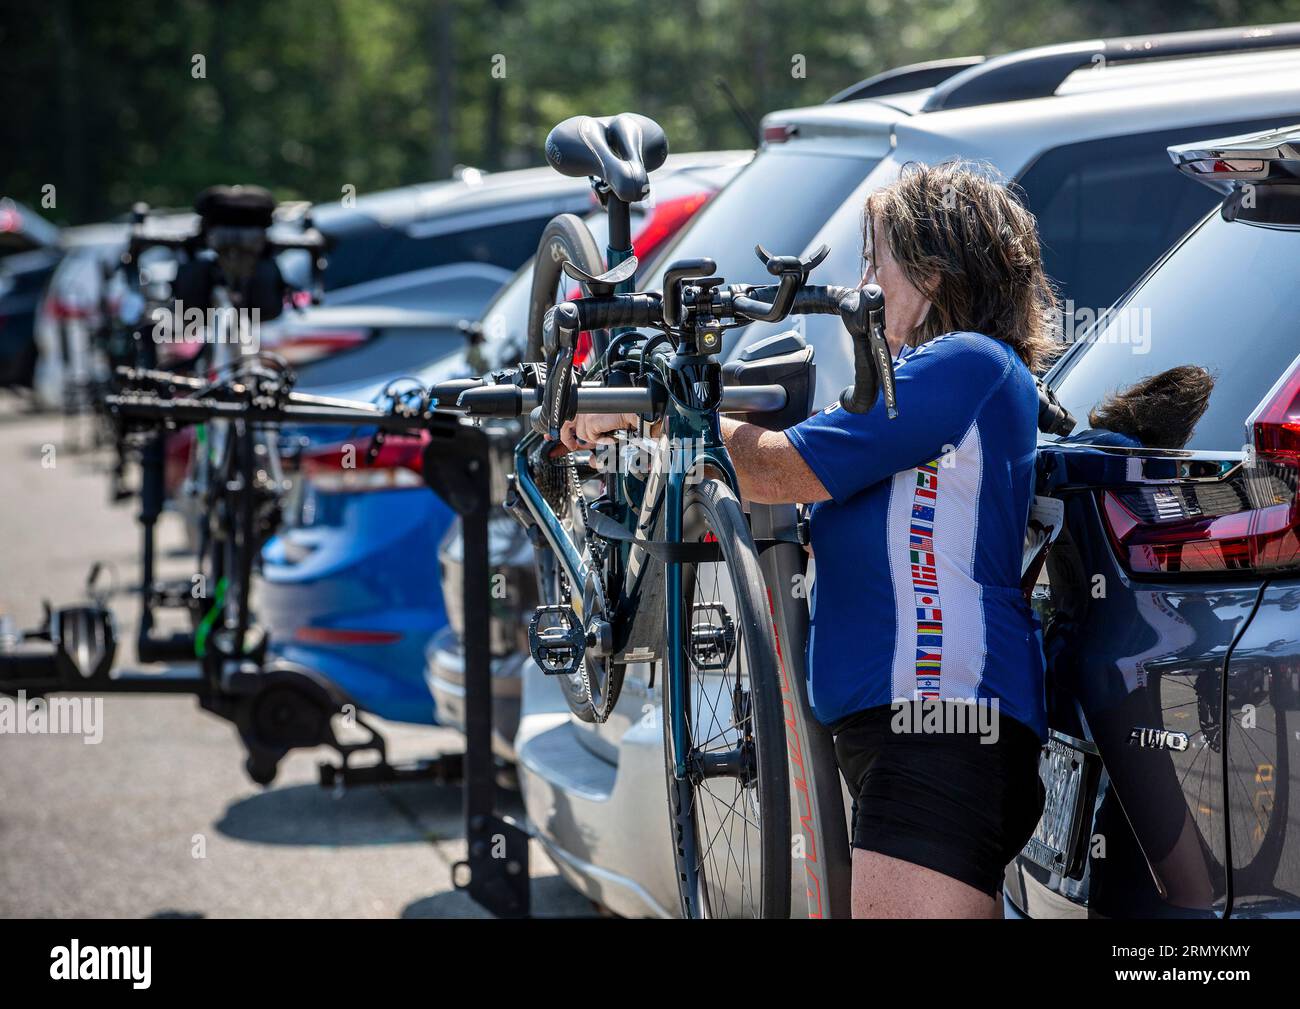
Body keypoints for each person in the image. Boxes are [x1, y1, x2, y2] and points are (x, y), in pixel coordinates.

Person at [558, 161, 1058, 918]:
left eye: (875, 259)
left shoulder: (965, 363)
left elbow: (780, 467)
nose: (862, 282)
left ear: (929, 272)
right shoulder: (934, 377)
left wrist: (654, 418)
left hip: (939, 724)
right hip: (920, 730)